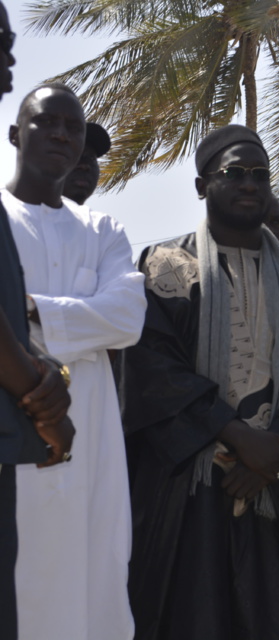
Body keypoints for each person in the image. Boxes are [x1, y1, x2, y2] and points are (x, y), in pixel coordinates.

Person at [115, 124, 279, 640]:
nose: (249, 184)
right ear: (201, 186)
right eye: (234, 173)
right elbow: (152, 373)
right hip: (187, 500)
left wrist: (275, 454)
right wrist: (240, 439)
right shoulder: (164, 268)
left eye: (260, 175)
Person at [2, 83, 146, 639]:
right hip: (15, 423)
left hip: (93, 441)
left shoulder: (103, 230)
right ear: (16, 134)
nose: (62, 134)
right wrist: (82, 319)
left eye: (74, 127)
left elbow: (128, 320)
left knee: (95, 573)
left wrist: (29, 307)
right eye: (48, 122)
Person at [0, 8, 75, 638]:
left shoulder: (100, 230)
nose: (9, 62)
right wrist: (44, 394)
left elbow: (124, 317)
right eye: (1, 45)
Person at [62, 121, 110, 206]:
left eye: (91, 158)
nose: (85, 166)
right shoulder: (31, 216)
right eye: (75, 156)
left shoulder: (101, 219)